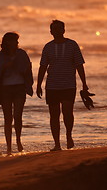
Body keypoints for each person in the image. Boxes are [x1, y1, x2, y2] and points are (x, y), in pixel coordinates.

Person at [36, 20, 89, 151]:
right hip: (52, 85)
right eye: (54, 29)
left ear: (64, 30)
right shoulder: (47, 47)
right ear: (51, 32)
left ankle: (69, 136)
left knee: (67, 112)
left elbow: (79, 65)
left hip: (68, 84)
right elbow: (42, 66)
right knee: (54, 115)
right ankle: (57, 144)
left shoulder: (72, 45)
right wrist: (38, 85)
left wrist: (84, 83)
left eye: (59, 28)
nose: (57, 31)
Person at [0, 32, 33, 155]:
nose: (17, 43)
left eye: (17, 41)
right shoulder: (1, 55)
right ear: (8, 42)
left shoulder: (22, 54)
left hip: (19, 88)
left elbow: (28, 70)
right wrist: (5, 67)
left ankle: (18, 140)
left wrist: (19, 68)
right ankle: (8, 147)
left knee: (18, 116)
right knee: (8, 119)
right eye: (15, 40)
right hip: (5, 89)